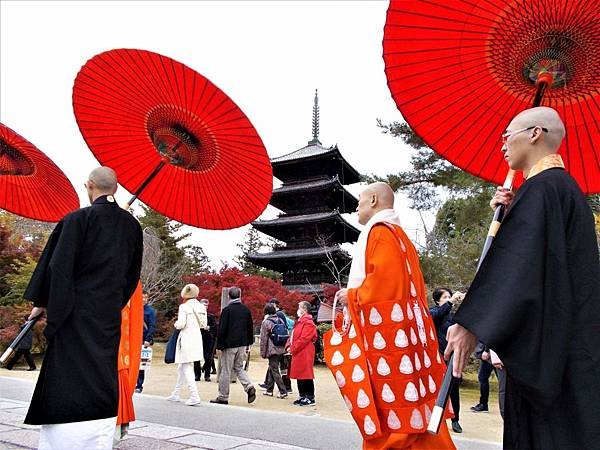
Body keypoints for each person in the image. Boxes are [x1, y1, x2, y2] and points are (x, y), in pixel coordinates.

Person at [445, 107, 600, 449]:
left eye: (507, 134)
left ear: (534, 134)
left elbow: (519, 266)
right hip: (572, 350)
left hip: (551, 362)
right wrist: (510, 213)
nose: (502, 144)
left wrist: (472, 322)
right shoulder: (560, 190)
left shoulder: (542, 190)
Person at [23, 167, 143, 450]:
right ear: (116, 189)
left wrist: (44, 305)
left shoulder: (77, 219)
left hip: (73, 315)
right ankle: (98, 439)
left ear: (89, 186)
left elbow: (58, 269)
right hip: (107, 317)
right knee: (102, 374)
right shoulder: (131, 227)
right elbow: (131, 277)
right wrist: (110, 302)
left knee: (67, 380)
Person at [329, 182, 455, 449]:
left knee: (393, 411)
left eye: (360, 200)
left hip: (387, 341)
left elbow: (383, 288)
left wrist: (350, 296)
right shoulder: (400, 237)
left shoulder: (380, 233)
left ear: (373, 199)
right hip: (407, 337)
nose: (356, 206)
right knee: (414, 406)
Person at [210, 287, 256, 405]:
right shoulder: (246, 310)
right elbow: (250, 327)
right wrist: (249, 343)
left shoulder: (227, 310)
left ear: (229, 296)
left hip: (229, 344)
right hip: (242, 343)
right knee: (239, 367)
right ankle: (249, 386)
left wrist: (219, 346)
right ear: (240, 295)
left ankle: (223, 396)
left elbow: (222, 329)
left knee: (225, 370)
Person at [429, 288, 463, 434]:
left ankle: (455, 420)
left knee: (453, 390)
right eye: (444, 297)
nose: (449, 299)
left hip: (452, 358)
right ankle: (438, 418)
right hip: (437, 357)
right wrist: (450, 302)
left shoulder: (453, 316)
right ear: (437, 300)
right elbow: (434, 315)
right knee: (437, 390)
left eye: (449, 296)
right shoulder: (434, 313)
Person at [167, 284, 207, 406]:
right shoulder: (201, 307)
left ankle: (194, 395)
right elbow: (203, 325)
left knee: (186, 366)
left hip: (186, 338)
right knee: (183, 366)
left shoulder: (184, 307)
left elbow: (181, 324)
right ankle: (176, 392)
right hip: (196, 338)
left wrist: (175, 324)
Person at [259, 298, 293, 394]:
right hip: (281, 348)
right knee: (272, 368)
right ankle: (269, 390)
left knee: (274, 369)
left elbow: (264, 339)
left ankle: (283, 391)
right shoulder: (280, 320)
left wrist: (263, 353)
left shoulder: (267, 322)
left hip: (272, 349)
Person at [289, 300, 317, 406]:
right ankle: (302, 395)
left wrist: (293, 347)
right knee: (299, 373)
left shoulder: (308, 323)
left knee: (306, 373)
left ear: (304, 309)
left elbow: (304, 339)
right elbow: (293, 336)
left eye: (299, 307)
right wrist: (290, 346)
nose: (298, 309)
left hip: (305, 351)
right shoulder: (300, 321)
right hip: (299, 350)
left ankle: (310, 396)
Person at [135, 290, 156, 393]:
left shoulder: (150, 311)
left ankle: (139, 385)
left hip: (143, 338)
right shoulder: (134, 308)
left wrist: (148, 339)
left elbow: (152, 325)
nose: (143, 299)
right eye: (141, 297)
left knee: (141, 364)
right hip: (133, 337)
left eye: (145, 298)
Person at [195, 298, 217, 382]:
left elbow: (215, 328)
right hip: (198, 337)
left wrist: (209, 328)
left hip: (208, 338)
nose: (205, 307)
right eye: (203, 305)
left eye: (206, 306)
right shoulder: (196, 317)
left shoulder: (210, 317)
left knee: (208, 358)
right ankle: (197, 374)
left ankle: (207, 375)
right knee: (196, 358)